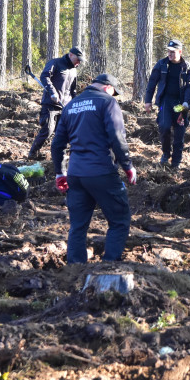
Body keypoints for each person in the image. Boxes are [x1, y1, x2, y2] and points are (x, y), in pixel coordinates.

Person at [52, 73, 137, 264]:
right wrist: (128, 166)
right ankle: (109, 264)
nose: (113, 96)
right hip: (102, 171)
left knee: (78, 225)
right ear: (108, 88)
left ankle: (75, 267)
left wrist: (60, 172)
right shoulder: (107, 102)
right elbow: (117, 137)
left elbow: (57, 144)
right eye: (114, 93)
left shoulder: (71, 105)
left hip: (75, 174)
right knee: (119, 220)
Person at [143, 39, 190, 168]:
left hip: (180, 103)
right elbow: (152, 83)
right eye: (168, 51)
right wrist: (148, 101)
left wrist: (185, 105)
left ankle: (176, 163)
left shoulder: (187, 67)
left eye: (172, 52)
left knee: (179, 132)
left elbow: (189, 86)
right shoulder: (162, 64)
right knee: (164, 126)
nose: (169, 54)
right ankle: (166, 153)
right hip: (166, 101)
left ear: (180, 52)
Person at [27, 47, 85, 160]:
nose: (79, 62)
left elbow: (72, 90)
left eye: (80, 61)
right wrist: (53, 93)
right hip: (50, 104)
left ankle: (59, 156)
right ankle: (33, 153)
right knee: (48, 130)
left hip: (65, 106)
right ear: (71, 55)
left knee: (63, 133)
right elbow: (45, 76)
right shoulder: (56, 63)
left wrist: (74, 104)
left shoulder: (74, 70)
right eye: (78, 59)